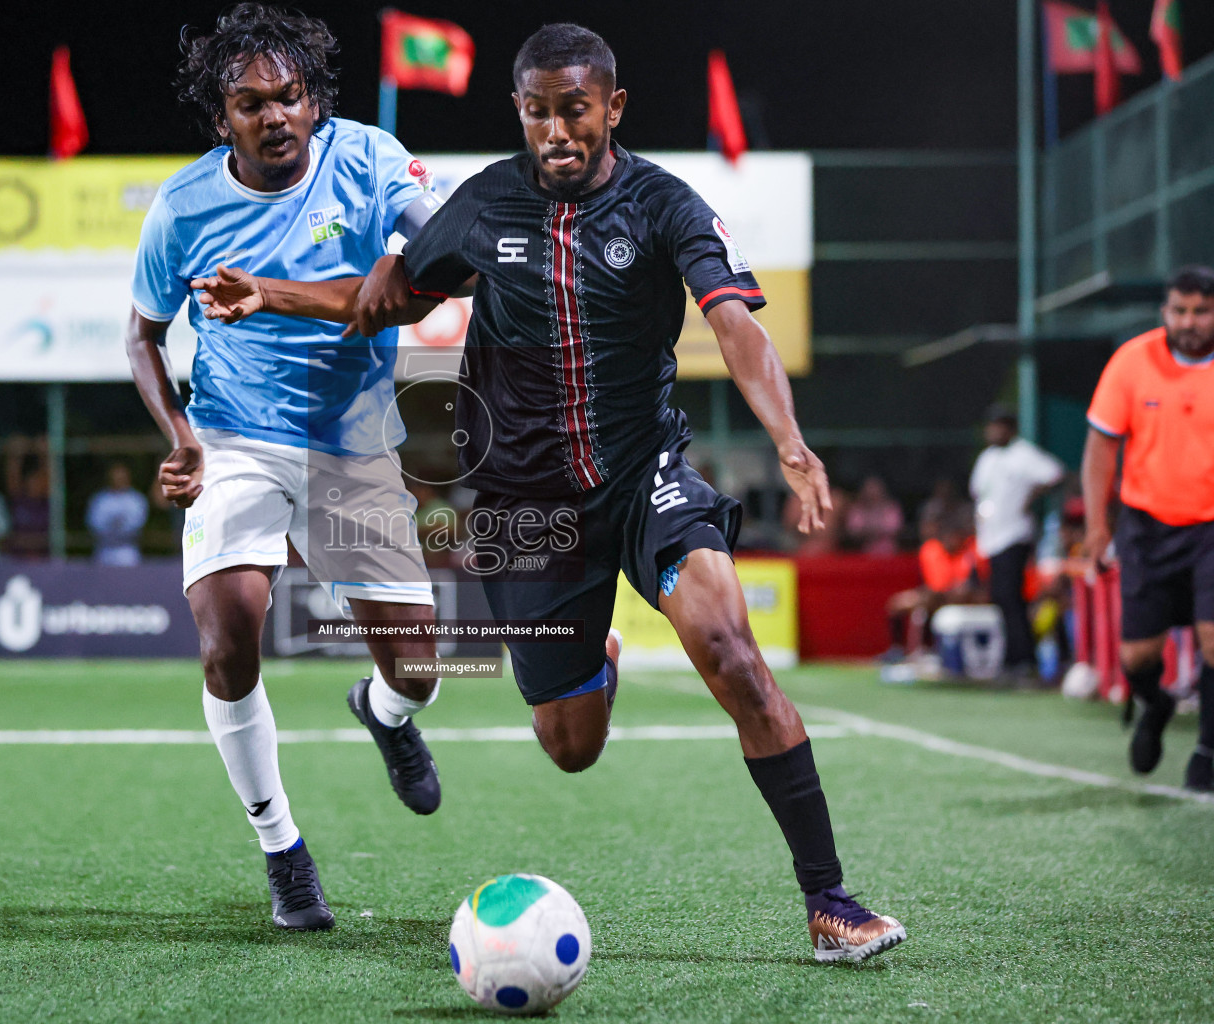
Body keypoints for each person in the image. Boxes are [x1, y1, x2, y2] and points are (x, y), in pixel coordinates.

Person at [196, 23, 904, 961]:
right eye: (538, 112)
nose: (556, 130)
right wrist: (274, 293)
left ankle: (831, 901)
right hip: (526, 509)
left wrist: (790, 441)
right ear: (521, 113)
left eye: (575, 110)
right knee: (570, 745)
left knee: (731, 650)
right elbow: (388, 298)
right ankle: (594, 661)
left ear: (612, 107)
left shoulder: (665, 205)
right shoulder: (485, 202)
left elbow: (734, 323)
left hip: (643, 471)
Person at [124, 3, 450, 932]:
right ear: (221, 116)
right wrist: (179, 435)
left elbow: (419, 272)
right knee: (229, 633)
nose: (275, 116)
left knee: (420, 669)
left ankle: (385, 714)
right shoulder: (183, 208)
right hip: (235, 439)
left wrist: (408, 242)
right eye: (251, 103)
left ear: (315, 101)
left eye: (291, 96)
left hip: (351, 442)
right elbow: (144, 337)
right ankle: (284, 852)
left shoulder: (371, 158)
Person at [1083, 265, 1214, 790]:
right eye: (1180, 310)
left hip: (1211, 528)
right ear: (1165, 311)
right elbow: (1099, 451)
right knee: (1137, 656)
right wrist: (1097, 527)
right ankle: (1155, 703)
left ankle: (1207, 750)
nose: (1189, 321)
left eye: (1201, 311)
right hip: (1147, 526)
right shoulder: (1133, 361)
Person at [970, 406, 1064, 677]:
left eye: (1000, 425)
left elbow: (1054, 473)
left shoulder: (1023, 454)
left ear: (1011, 428)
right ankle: (1012, 656)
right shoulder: (987, 458)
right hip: (991, 538)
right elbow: (978, 492)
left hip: (1014, 534)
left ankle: (1024, 659)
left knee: (1011, 597)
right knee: (1000, 597)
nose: (994, 431)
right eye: (991, 426)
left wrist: (1031, 498)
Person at [884, 512, 988, 660]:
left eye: (956, 536)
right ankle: (898, 649)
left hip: (966, 597)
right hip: (937, 596)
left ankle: (940, 649)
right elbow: (936, 585)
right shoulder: (931, 550)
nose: (953, 540)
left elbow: (975, 582)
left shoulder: (971, 550)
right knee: (898, 603)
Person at [87, 463, 150, 566]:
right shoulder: (100, 500)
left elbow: (138, 523)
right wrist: (111, 526)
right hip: (104, 551)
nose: (118, 479)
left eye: (121, 477)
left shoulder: (136, 500)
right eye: (115, 476)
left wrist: (121, 526)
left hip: (128, 553)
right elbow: (94, 523)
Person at [844, 477, 904, 556]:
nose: (872, 494)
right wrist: (874, 531)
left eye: (875, 490)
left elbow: (895, 528)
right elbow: (853, 530)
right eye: (869, 490)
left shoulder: (891, 507)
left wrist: (870, 531)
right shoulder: (857, 508)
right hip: (861, 553)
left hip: (889, 553)